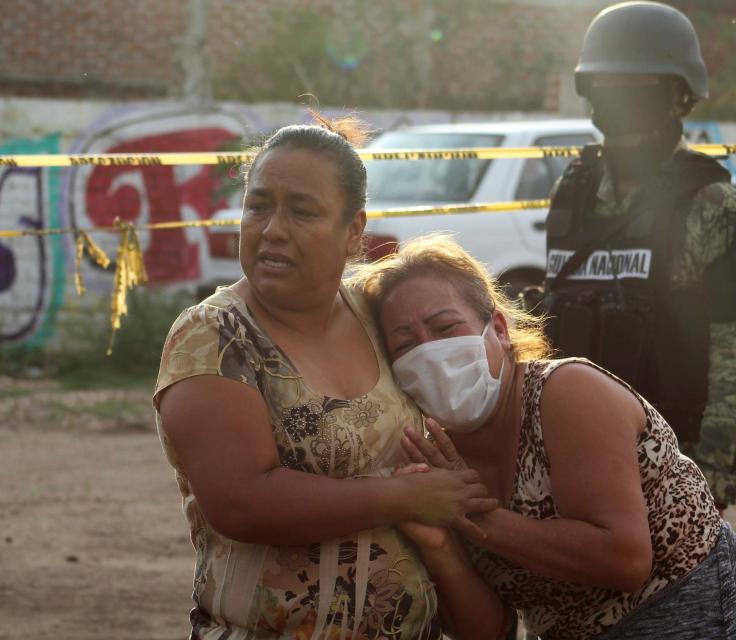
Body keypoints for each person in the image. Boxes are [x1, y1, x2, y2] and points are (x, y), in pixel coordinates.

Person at [153, 118, 497, 639]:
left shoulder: (379, 314)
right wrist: (404, 498)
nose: (272, 229)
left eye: (302, 211)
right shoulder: (214, 336)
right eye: (258, 205)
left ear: (353, 230)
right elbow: (240, 502)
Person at [354, 235, 736, 640]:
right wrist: (442, 544)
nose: (430, 352)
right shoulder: (438, 459)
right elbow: (492, 631)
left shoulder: (566, 393)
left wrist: (478, 520)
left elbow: (623, 559)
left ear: (500, 331)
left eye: (446, 328)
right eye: (406, 343)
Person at [539, 0, 736, 515]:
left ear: (678, 98)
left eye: (636, 89)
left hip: (668, 474)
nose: (616, 104)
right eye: (605, 88)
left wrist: (703, 490)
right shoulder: (573, 193)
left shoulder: (710, 205)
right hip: (569, 466)